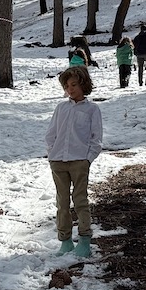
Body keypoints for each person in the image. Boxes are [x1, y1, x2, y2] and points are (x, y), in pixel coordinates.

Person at [44, 65, 103, 257]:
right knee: (62, 202)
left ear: (83, 84)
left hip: (79, 161)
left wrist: (88, 159)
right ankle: (65, 241)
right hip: (58, 161)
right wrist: (51, 152)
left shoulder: (92, 109)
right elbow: (51, 134)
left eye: (74, 85)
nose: (70, 89)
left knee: (80, 200)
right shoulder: (61, 108)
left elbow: (96, 138)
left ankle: (84, 240)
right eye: (67, 86)